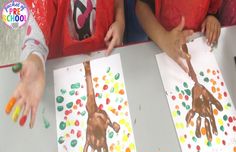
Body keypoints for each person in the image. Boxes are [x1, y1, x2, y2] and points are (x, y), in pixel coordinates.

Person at [5, 0, 125, 128]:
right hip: (63, 76)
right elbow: (35, 38)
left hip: (104, 63)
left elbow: (118, 3)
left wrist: (120, 22)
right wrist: (35, 59)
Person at [135, 0, 222, 72]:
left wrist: (212, 16)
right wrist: (162, 38)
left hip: (197, 45)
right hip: (161, 43)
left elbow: (213, 8)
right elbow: (141, 6)